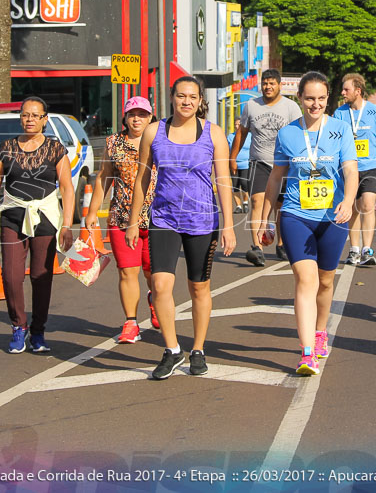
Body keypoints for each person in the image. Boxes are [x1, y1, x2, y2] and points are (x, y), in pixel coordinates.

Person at [126, 76, 236, 379]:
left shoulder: (213, 134)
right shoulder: (153, 132)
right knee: (160, 284)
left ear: (200, 100)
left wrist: (228, 225)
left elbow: (223, 181)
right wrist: (135, 220)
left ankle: (198, 349)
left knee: (199, 287)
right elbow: (142, 178)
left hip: (202, 220)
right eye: (181, 96)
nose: (186, 101)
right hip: (164, 219)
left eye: (192, 97)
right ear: (171, 98)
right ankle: (173, 350)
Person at [258, 71, 358, 375]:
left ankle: (319, 332)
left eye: (321, 98)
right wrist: (265, 220)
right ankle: (306, 353)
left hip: (332, 216)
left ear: (328, 99)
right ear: (300, 98)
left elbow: (351, 171)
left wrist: (349, 200)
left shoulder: (340, 130)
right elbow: (276, 178)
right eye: (309, 98)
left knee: (326, 281)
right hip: (295, 213)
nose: (315, 104)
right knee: (306, 280)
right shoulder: (288, 133)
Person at [0, 96, 76, 354]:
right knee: (10, 275)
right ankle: (18, 326)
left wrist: (66, 225)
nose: (29, 120)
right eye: (25, 115)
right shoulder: (6, 147)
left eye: (35, 115)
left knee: (40, 277)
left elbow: (67, 187)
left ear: (44, 119)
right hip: (13, 214)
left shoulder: (55, 149)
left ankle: (38, 331)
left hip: (45, 216)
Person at [85, 96, 159, 344]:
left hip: (158, 218)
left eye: (142, 114)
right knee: (127, 272)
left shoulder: (161, 140)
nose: (137, 119)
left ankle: (155, 300)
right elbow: (103, 177)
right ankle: (131, 322)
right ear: (125, 118)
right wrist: (93, 212)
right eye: (132, 114)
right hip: (122, 217)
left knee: (154, 274)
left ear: (151, 117)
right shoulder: (113, 143)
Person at [230, 69, 302, 266]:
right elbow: (242, 132)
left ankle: (281, 244)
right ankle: (257, 248)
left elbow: (300, 135)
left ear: (279, 85)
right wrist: (233, 157)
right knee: (257, 201)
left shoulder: (291, 107)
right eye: (265, 83)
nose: (268, 87)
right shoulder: (251, 105)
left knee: (280, 206)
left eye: (272, 83)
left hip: (284, 164)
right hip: (259, 162)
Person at [333, 73, 376, 266]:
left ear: (358, 91)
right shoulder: (339, 113)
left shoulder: (374, 112)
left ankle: (367, 250)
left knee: (367, 205)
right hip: (347, 168)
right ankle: (354, 249)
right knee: (352, 208)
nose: (343, 93)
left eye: (346, 89)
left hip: (371, 166)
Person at [227, 121, 251, 214]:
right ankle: (238, 206)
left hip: (246, 164)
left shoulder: (249, 136)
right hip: (234, 164)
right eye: (235, 125)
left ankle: (245, 202)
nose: (237, 126)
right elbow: (227, 150)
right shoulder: (230, 137)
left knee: (244, 183)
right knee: (235, 185)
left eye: (239, 124)